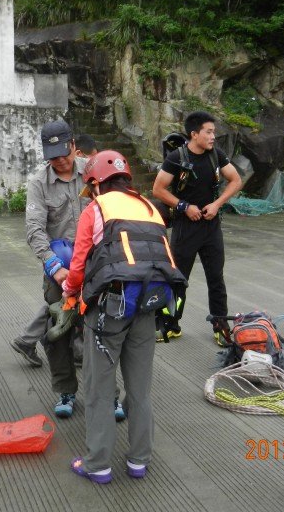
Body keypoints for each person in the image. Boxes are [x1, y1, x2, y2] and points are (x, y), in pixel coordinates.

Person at [63, 150, 186, 483]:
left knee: (99, 390)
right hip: (147, 306)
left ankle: (98, 465)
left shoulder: (96, 209)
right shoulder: (149, 208)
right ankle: (139, 461)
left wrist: (69, 291)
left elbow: (78, 264)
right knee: (140, 389)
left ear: (96, 183)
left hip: (109, 310)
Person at [10, 120, 93, 417]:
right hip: (61, 268)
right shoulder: (39, 183)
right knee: (58, 332)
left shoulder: (93, 171)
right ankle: (65, 391)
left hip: (96, 266)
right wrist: (54, 266)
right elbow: (34, 230)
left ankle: (106, 393)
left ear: (74, 145)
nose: (60, 160)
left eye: (64, 153)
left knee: (99, 331)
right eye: (52, 155)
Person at [151, 111, 242, 344]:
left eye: (214, 132)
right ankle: (170, 324)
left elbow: (236, 180)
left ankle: (220, 326)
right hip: (185, 228)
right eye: (208, 132)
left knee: (216, 278)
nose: (213, 137)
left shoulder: (216, 155)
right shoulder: (176, 158)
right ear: (194, 134)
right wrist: (184, 206)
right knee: (178, 279)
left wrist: (217, 204)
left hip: (211, 227)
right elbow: (158, 189)